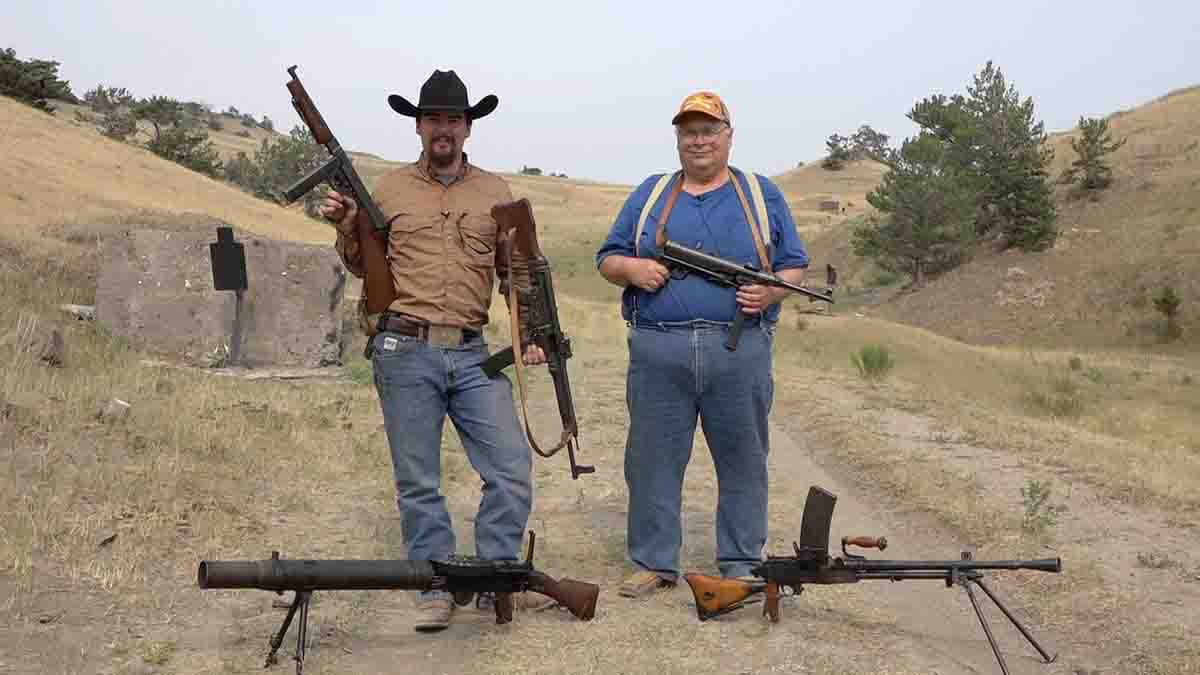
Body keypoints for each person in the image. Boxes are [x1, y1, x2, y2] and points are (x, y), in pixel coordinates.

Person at [319, 69, 549, 631]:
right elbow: (360, 265)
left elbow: (514, 270)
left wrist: (532, 330)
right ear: (419, 127)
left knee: (511, 468)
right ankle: (436, 583)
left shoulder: (495, 191)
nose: (442, 129)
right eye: (432, 119)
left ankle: (495, 574)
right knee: (418, 479)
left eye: (453, 119)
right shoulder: (389, 190)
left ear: (467, 127)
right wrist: (350, 228)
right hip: (404, 347)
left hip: (473, 352)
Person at [594, 91, 811, 598]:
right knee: (650, 459)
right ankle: (654, 561)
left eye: (709, 130)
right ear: (677, 140)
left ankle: (739, 562)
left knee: (743, 458)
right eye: (689, 131)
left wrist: (772, 289)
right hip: (657, 349)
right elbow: (607, 258)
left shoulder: (761, 195)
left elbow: (794, 264)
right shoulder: (651, 194)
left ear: (729, 136)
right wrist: (634, 268)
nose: (699, 140)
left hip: (740, 350)